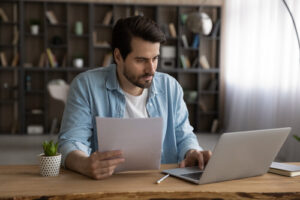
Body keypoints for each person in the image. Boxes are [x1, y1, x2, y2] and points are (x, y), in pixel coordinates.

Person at [58, 16, 212, 180]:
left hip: (162, 183)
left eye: (155, 58)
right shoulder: (85, 86)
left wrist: (192, 151)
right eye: (141, 60)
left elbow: (184, 135)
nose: (151, 69)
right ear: (118, 56)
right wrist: (84, 164)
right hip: (107, 184)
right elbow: (71, 141)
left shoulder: (170, 87)